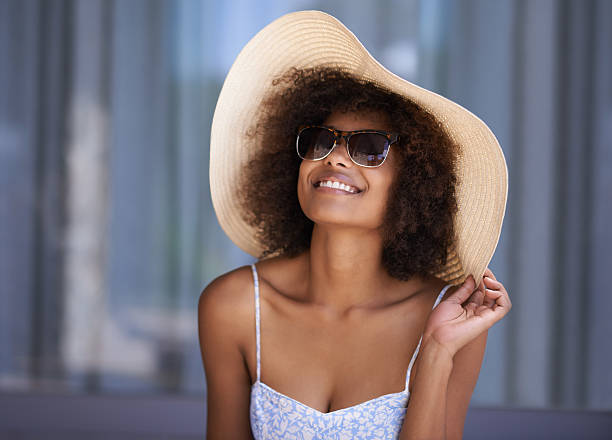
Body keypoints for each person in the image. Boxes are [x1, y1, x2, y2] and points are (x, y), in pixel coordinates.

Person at [198, 10, 511, 440]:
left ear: (415, 182)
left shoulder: (448, 319)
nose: (335, 157)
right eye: (320, 140)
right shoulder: (233, 307)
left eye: (369, 148)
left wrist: (436, 352)